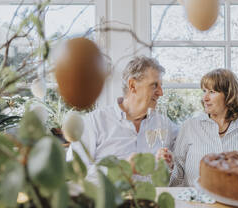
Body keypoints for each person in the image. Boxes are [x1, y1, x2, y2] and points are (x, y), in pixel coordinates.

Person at [67, 55, 177, 183]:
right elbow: (74, 170)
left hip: (152, 201)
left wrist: (169, 163)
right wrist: (121, 169)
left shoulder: (164, 124)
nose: (161, 93)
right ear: (132, 85)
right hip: (109, 202)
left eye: (161, 86)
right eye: (154, 85)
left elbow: (184, 151)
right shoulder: (94, 122)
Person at [170, 68, 238, 187]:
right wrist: (168, 166)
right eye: (204, 91)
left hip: (231, 203)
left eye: (212, 92)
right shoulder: (190, 127)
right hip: (195, 203)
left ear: (229, 95)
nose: (205, 98)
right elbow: (176, 177)